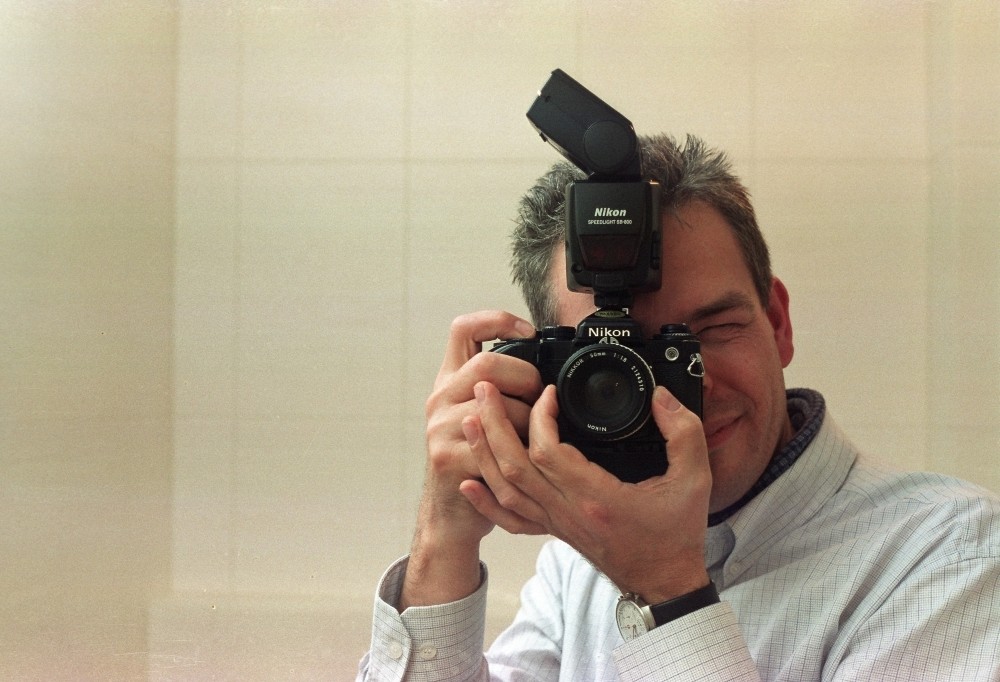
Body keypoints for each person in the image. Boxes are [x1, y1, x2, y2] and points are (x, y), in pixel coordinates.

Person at [357, 134, 1000, 680]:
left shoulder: (951, 557)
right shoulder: (577, 563)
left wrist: (665, 587)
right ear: (550, 368)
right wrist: (444, 537)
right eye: (617, 365)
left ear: (777, 323)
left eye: (711, 332)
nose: (683, 398)